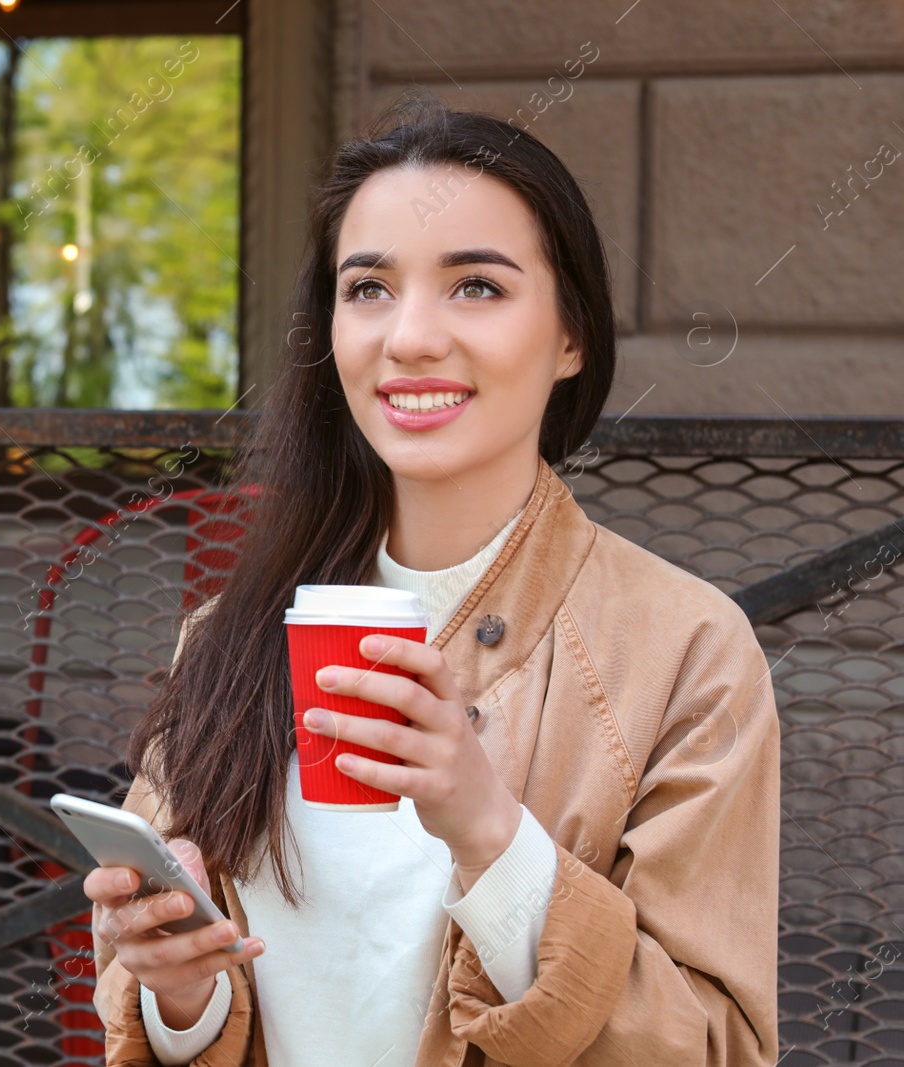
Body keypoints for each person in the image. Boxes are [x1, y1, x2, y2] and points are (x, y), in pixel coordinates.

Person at [85, 95, 780, 1066]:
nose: (408, 336)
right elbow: (153, 993)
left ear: (572, 333)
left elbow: (713, 1047)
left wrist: (493, 833)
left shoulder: (685, 649)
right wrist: (179, 992)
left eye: (476, 287)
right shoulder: (225, 633)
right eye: (367, 287)